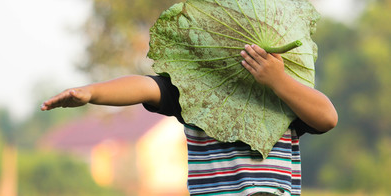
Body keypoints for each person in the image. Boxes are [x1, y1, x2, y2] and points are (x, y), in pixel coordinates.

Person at [41, 44, 338, 196]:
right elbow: (143, 86)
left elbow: (327, 117)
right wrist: (91, 92)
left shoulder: (283, 97)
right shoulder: (196, 92)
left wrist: (279, 81)